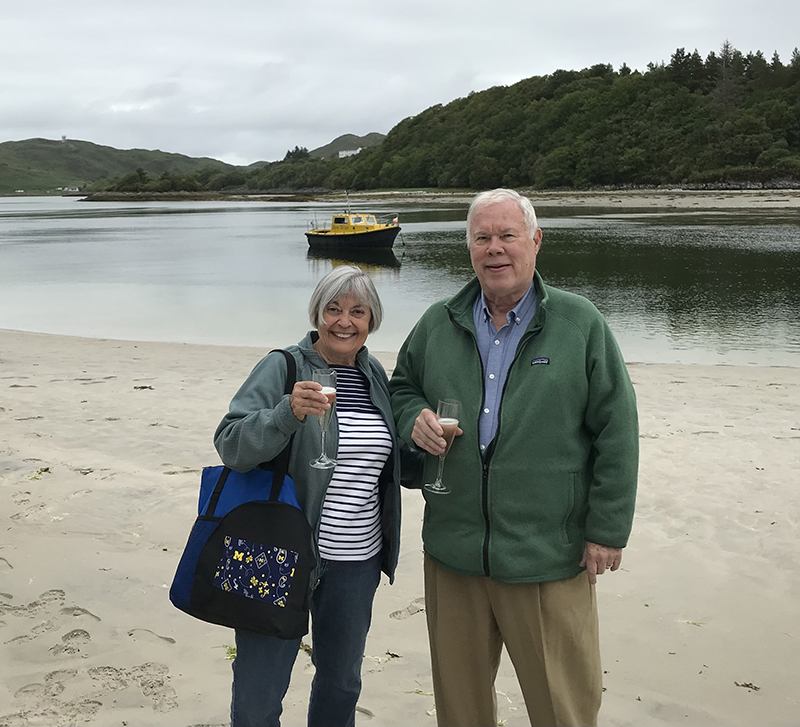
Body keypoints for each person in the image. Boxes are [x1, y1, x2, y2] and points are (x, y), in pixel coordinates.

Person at [389, 188, 639, 727]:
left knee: (563, 708)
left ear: (535, 241)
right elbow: (401, 386)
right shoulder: (438, 322)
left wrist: (608, 528)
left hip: (548, 554)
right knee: (461, 711)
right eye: (483, 237)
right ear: (469, 248)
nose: (495, 248)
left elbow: (617, 429)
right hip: (454, 553)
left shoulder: (580, 323)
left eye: (508, 235)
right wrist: (413, 419)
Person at [214, 265, 414, 727]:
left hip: (357, 559)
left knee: (341, 684)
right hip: (279, 550)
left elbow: (386, 464)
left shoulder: (373, 374)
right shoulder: (283, 365)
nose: (344, 321)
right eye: (333, 309)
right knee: (258, 696)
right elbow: (230, 444)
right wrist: (286, 413)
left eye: (358, 312)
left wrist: (425, 450)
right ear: (317, 314)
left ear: (371, 321)